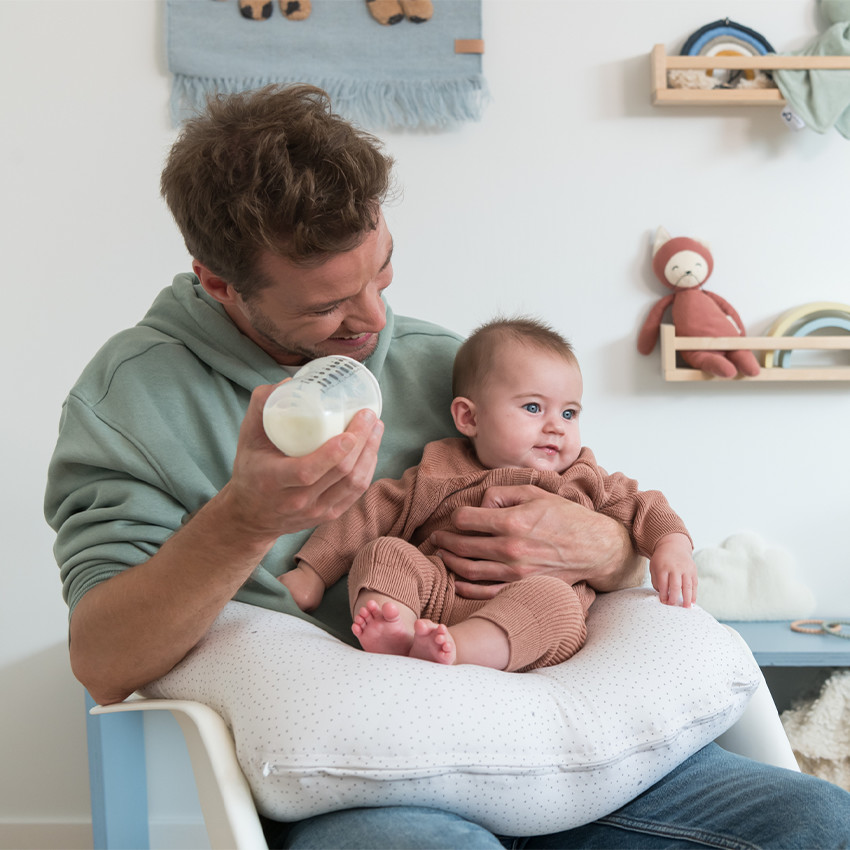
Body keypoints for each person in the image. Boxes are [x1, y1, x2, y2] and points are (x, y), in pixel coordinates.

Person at [44, 84, 850, 849]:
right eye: (327, 306)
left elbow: (602, 502)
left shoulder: (449, 366)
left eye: (383, 270)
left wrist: (603, 548)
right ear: (219, 282)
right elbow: (106, 661)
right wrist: (246, 520)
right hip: (355, 772)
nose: (373, 319)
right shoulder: (131, 402)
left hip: (536, 718)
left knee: (816, 820)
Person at [281, 317, 696, 671]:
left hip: (523, 608)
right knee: (386, 551)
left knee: (557, 604)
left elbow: (646, 506)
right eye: (534, 408)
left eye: (569, 413)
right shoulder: (440, 468)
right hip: (436, 588)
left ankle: (456, 649)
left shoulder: (583, 476)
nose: (556, 426)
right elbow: (370, 511)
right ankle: (398, 629)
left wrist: (671, 546)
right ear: (469, 417)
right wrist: (312, 573)